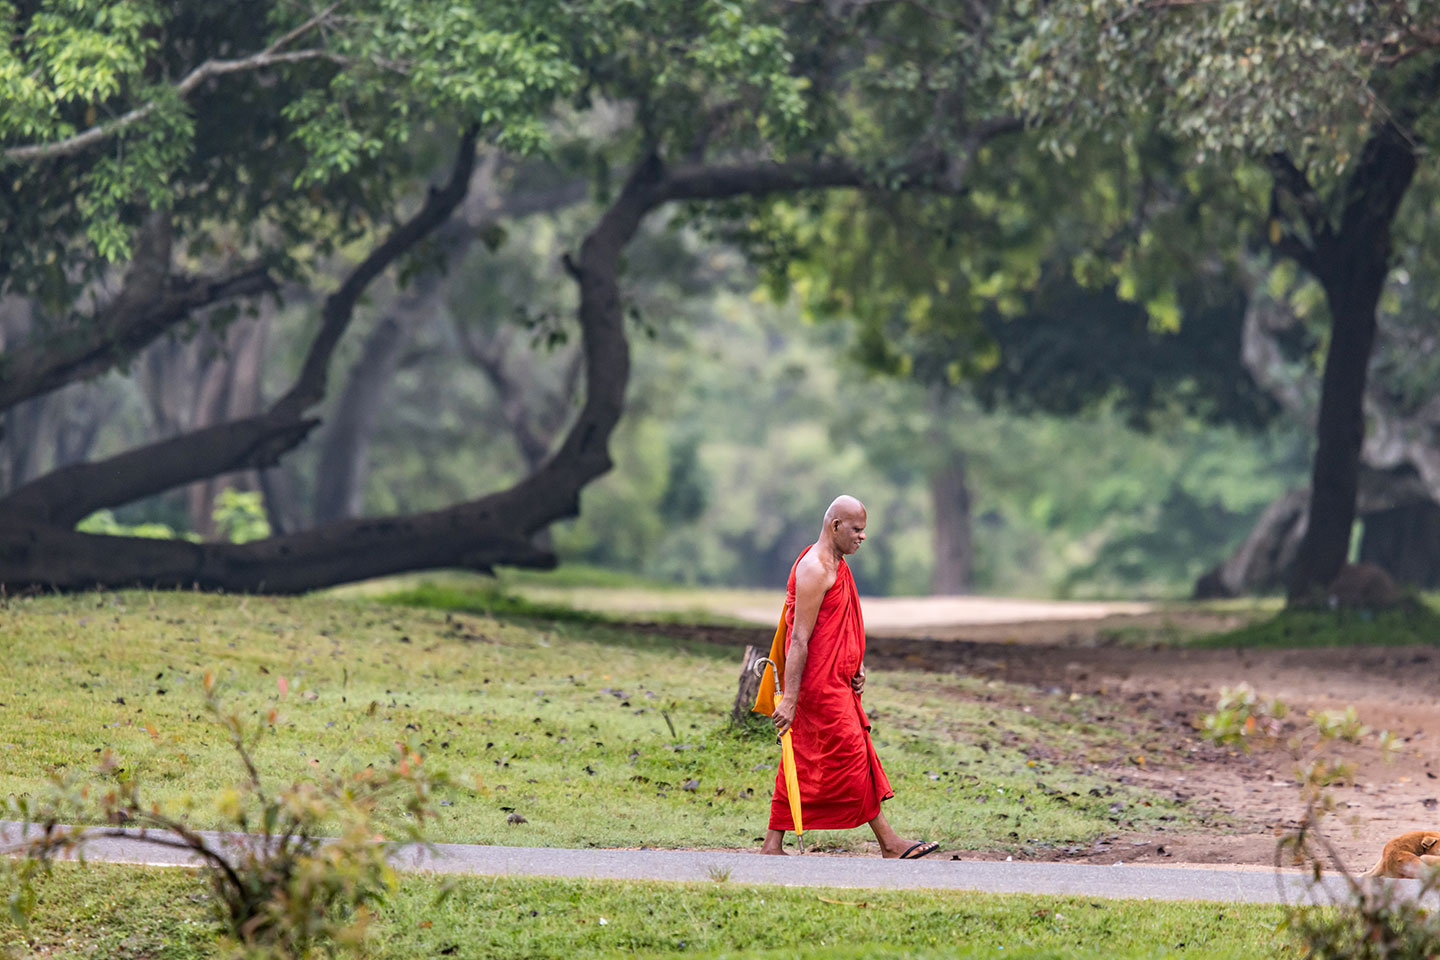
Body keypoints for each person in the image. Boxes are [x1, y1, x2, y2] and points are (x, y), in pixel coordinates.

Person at [758, 494, 939, 859]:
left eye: (864, 530)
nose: (862, 537)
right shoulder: (815, 569)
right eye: (857, 529)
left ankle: (771, 844)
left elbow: (839, 628)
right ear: (835, 526)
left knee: (805, 757)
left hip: (838, 681)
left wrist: (855, 664)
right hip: (816, 687)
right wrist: (790, 699)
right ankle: (889, 843)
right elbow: (800, 638)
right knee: (854, 755)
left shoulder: (837, 563)